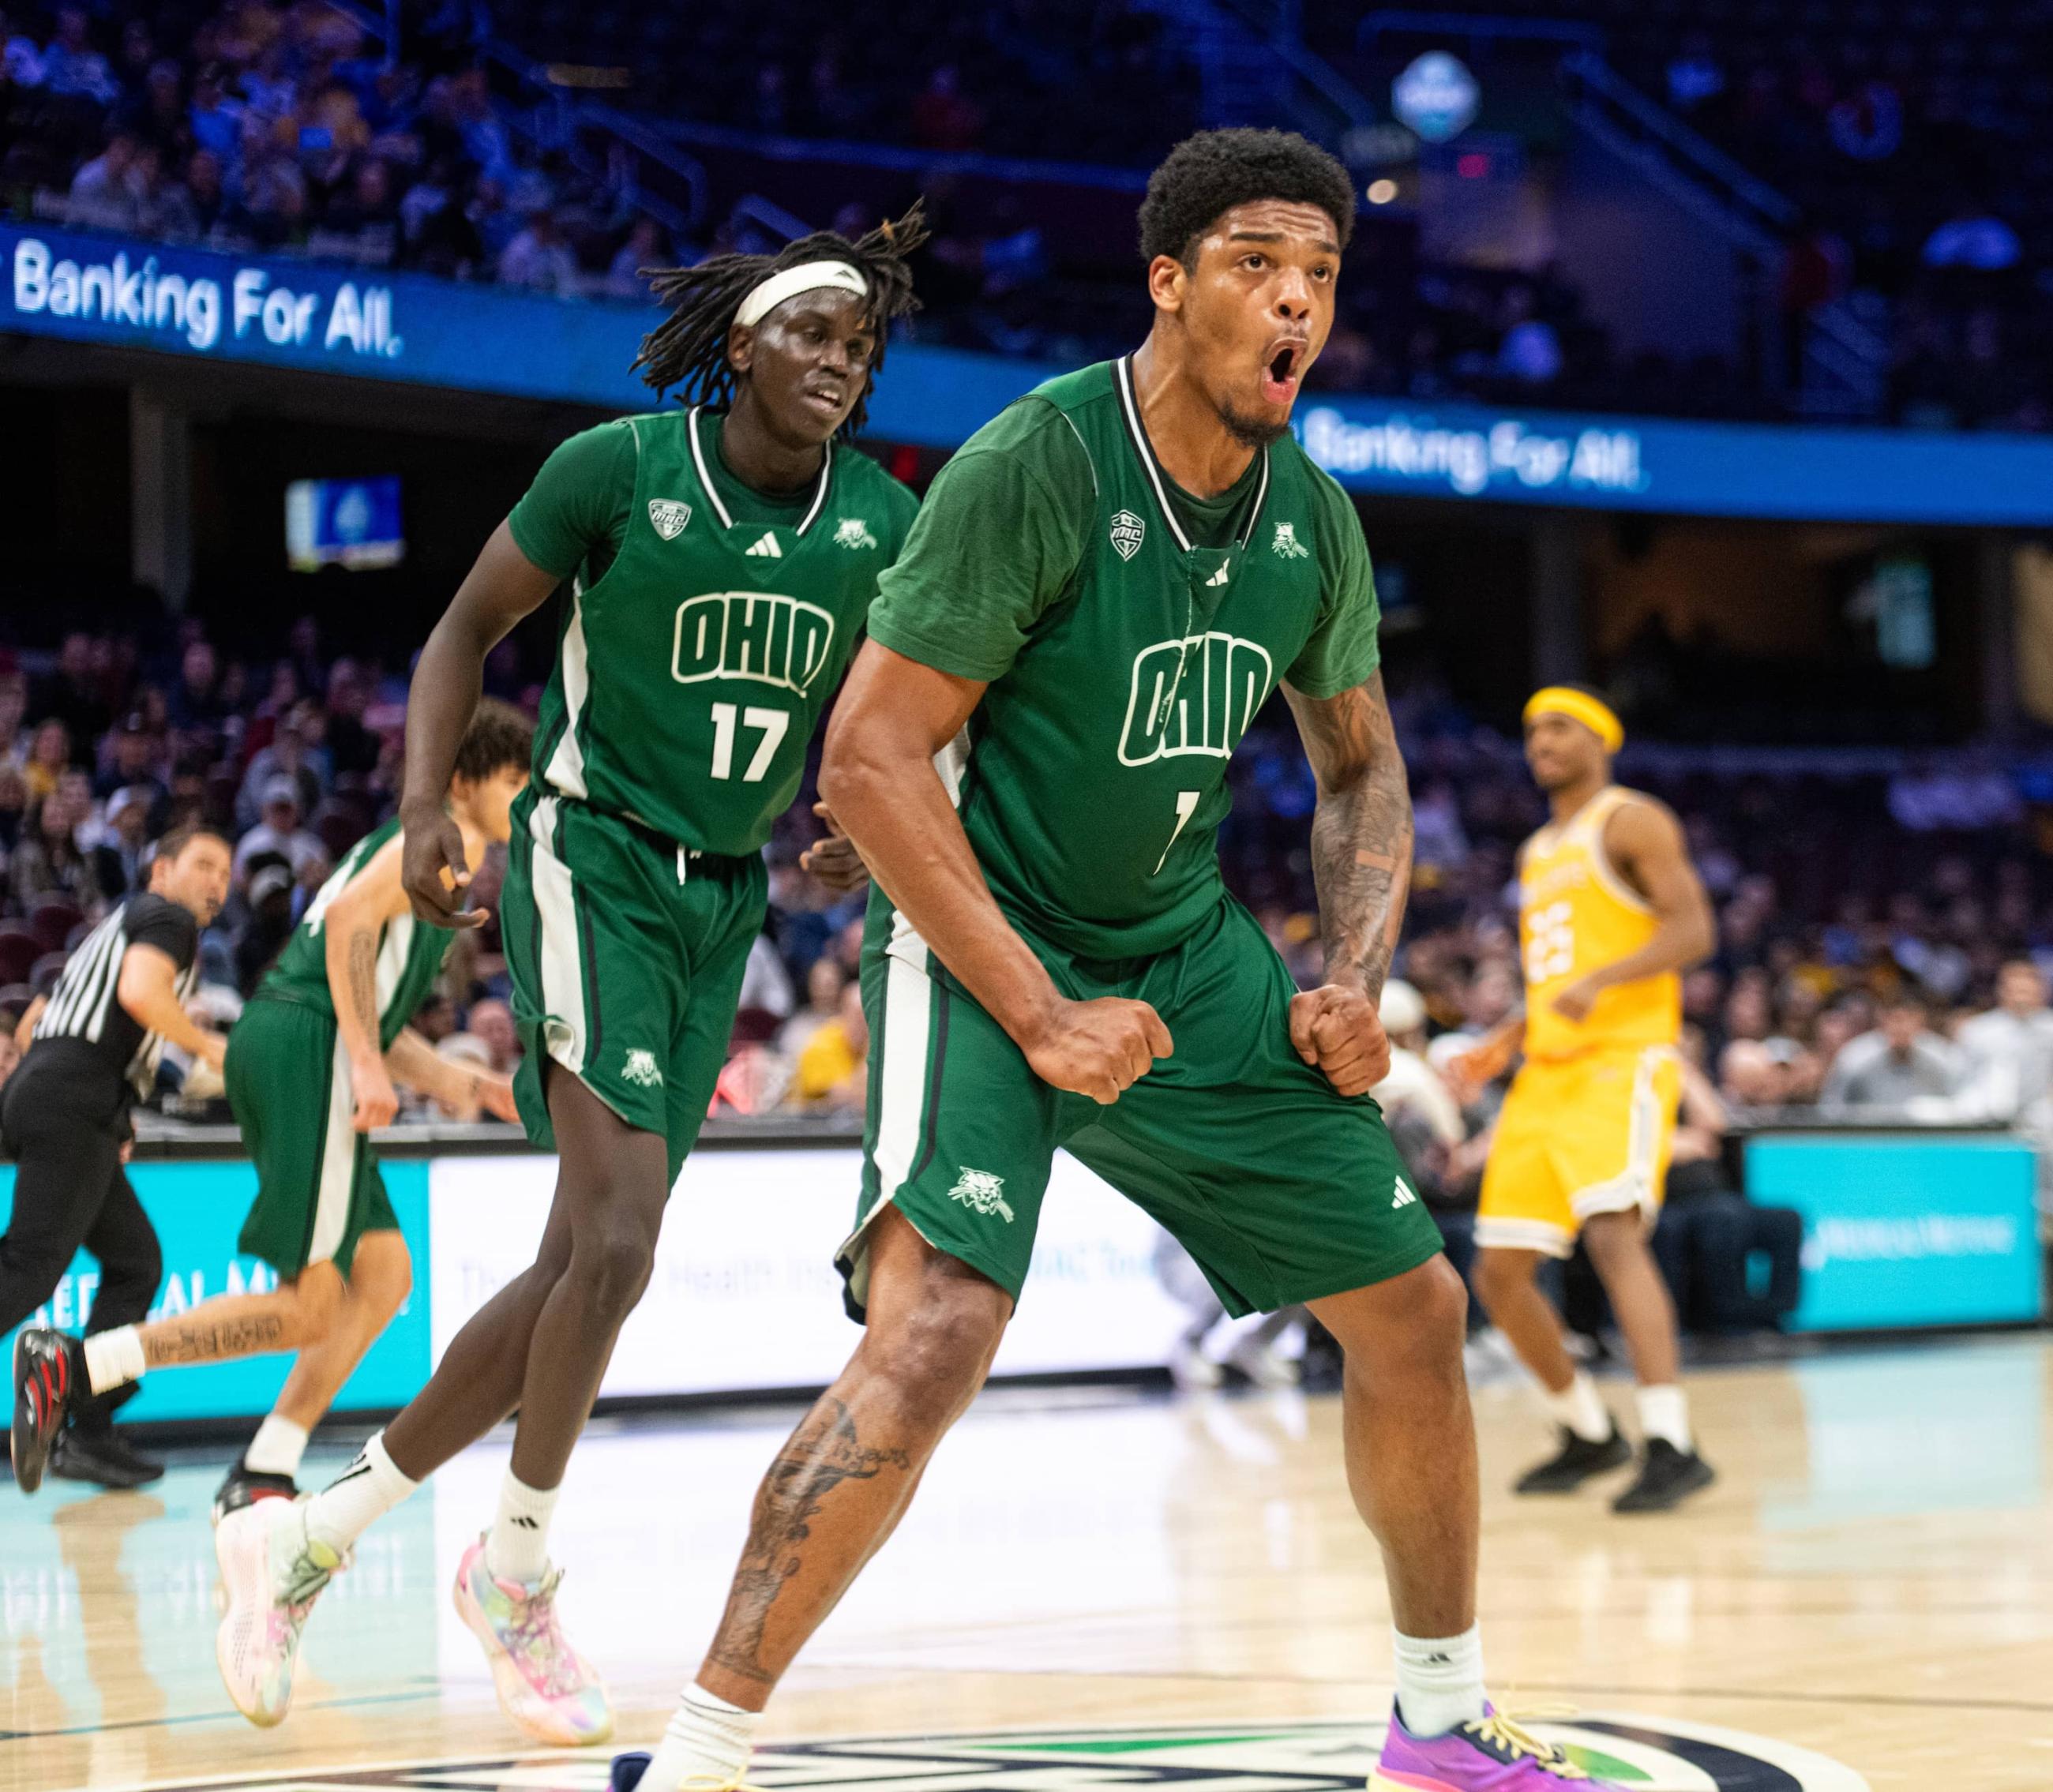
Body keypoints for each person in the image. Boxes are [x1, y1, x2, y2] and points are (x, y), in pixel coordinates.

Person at [616, 129, 1604, 1792]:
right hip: (977, 931)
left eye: (1321, 276)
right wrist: (1038, 1007)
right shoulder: (1040, 463)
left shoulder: (1312, 520)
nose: (1296, 303)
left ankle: (1437, 1724)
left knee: (1416, 1309)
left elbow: (1360, 767)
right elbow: (864, 761)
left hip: (1179, 943)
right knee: (935, 1337)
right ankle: (701, 1751)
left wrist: (1353, 973)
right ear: (1169, 283)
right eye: (1255, 268)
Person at [212, 207, 926, 1741]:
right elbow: (463, 629)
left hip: (722, 898)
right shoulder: (618, 470)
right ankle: (518, 1567)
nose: (837, 361)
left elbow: (902, 700)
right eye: (810, 331)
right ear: (741, 346)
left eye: (859, 344)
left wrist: (858, 813)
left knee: (575, 1271)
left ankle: (308, 1536)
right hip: (586, 855)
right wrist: (418, 810)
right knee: (617, 1244)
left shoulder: (878, 520)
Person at [11, 704, 532, 1517]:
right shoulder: (438, 841)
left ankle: (267, 1461)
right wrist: (360, 1059)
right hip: (304, 1048)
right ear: (464, 778)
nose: (523, 796)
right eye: (513, 780)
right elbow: (349, 934)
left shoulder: (424, 850)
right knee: (308, 1305)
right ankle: (78, 1368)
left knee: (385, 1273)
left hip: (297, 1036)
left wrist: (471, 1084)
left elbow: (373, 1003)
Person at [1462, 687, 1718, 1513]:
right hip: (1545, 1071)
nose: (1539, 740)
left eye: (1558, 726)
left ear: (1599, 739)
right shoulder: (1536, 849)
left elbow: (1692, 933)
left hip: (1622, 1058)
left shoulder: (1630, 819)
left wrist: (1602, 983)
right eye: (1530, 728)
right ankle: (1582, 1426)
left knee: (1612, 1232)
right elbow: (1555, 975)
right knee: (1498, 1272)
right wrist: (1504, 1033)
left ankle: (1670, 1440)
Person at [6, 826, 232, 1493]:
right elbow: (139, 994)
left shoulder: (108, 928)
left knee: (136, 1263)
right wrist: (211, 1049)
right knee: (29, 1266)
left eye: (225, 872)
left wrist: (108, 1101)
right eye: (203, 865)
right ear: (160, 870)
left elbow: (34, 1023)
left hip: (52, 1090)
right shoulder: (168, 918)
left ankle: (89, 1426)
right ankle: (79, 1414)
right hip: (73, 1099)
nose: (218, 882)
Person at [1820, 993, 1959, 1109]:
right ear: (1881, 1021)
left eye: (1908, 1019)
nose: (1901, 1027)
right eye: (1895, 1019)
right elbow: (1832, 1107)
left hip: (1929, 1138)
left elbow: (1960, 1105)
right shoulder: (1854, 1057)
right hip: (1867, 1136)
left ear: (1921, 1022)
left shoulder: (1942, 1057)